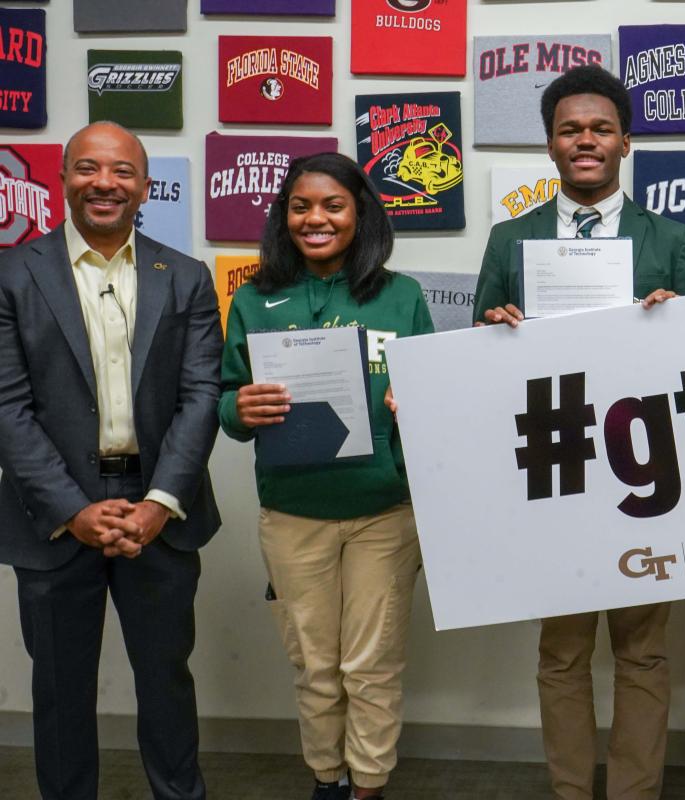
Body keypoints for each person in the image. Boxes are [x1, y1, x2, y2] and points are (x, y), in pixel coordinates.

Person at [473, 65, 685, 799]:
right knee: (562, 654)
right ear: (549, 146)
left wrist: (681, 320)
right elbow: (479, 369)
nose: (586, 141)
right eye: (571, 129)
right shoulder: (511, 239)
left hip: (647, 472)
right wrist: (491, 331)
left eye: (601, 128)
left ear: (626, 142)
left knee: (642, 655)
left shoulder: (669, 239)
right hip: (557, 472)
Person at [0, 121, 222, 800]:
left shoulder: (184, 277)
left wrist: (159, 502)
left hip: (161, 508)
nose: (106, 183)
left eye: (123, 171)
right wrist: (74, 509)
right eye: (89, 169)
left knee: (166, 681)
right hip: (54, 518)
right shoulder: (12, 275)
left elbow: (201, 396)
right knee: (62, 693)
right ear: (63, 179)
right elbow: (7, 408)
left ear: (146, 186)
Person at [218, 153, 433, 800]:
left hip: (383, 512)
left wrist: (420, 404)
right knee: (315, 666)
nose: (316, 218)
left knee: (371, 665)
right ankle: (326, 779)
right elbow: (226, 404)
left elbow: (436, 404)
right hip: (293, 513)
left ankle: (368, 784)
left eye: (333, 205)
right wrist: (241, 407)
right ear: (284, 218)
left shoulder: (402, 296)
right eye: (301, 206)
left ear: (360, 213)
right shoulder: (254, 300)